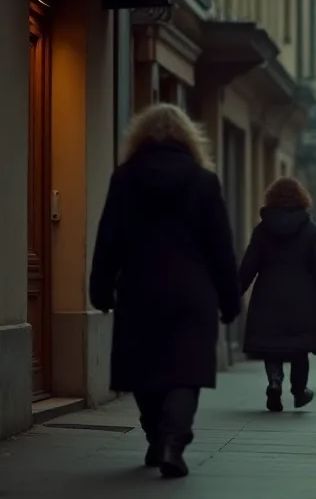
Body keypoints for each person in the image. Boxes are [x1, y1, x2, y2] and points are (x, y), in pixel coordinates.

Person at [89, 103, 241, 478]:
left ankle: (156, 437)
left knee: (145, 370)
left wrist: (101, 288)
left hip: (140, 289)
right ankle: (173, 441)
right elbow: (220, 246)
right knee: (185, 372)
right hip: (192, 292)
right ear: (189, 138)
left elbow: (109, 238)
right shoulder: (203, 181)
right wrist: (230, 298)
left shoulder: (125, 178)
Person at [238, 177, 316, 412]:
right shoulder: (313, 232)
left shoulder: (262, 231)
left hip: (268, 296)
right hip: (304, 300)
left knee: (272, 346)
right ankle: (299, 391)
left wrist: (235, 292)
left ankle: (275, 381)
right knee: (299, 349)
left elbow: (249, 264)